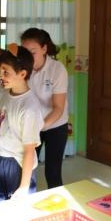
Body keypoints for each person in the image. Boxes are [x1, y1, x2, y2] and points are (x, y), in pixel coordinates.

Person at [0, 43, 44, 203]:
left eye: (6, 72)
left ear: (22, 74)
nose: (0, 75)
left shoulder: (29, 107)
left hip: (17, 165)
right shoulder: (3, 95)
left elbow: (29, 150)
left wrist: (24, 186)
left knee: (18, 213)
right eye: (0, 70)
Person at [21, 28, 69, 189]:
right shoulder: (23, 69)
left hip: (55, 125)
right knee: (27, 170)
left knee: (52, 173)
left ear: (44, 48)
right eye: (25, 52)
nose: (28, 57)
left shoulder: (57, 69)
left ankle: (58, 209)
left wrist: (40, 125)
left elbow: (58, 107)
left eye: (32, 52)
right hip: (33, 124)